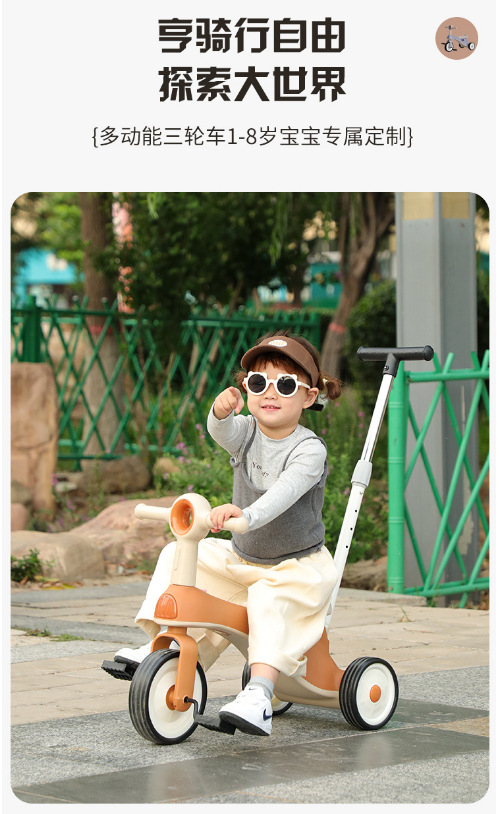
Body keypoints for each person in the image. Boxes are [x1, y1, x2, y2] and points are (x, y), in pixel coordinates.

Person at [107, 330, 341, 736]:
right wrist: (219, 414)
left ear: (309, 397)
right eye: (258, 382)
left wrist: (245, 515)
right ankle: (163, 646)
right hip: (244, 559)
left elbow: (282, 495)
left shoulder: (309, 450)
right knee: (179, 554)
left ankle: (260, 693)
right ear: (246, 388)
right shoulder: (247, 431)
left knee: (268, 599)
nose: (270, 393)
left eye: (285, 385)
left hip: (295, 568)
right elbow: (223, 432)